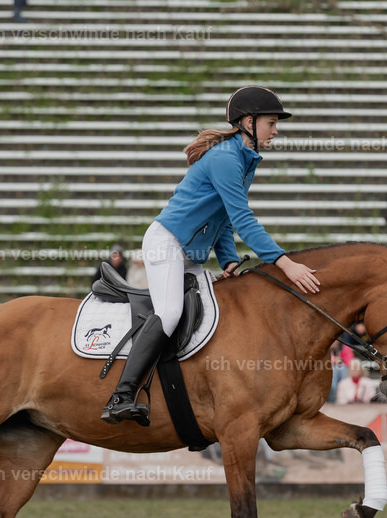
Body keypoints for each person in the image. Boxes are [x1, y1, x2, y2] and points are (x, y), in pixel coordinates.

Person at [102, 86, 319, 425]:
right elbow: (243, 219)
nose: (276, 131)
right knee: (170, 312)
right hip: (166, 243)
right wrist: (284, 262)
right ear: (250, 122)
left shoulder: (245, 159)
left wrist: (229, 258)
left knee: (215, 310)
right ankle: (121, 395)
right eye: (272, 123)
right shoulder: (226, 158)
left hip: (190, 251)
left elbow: (225, 218)